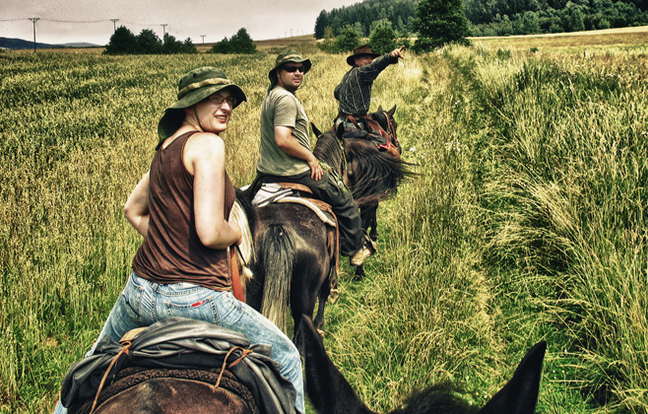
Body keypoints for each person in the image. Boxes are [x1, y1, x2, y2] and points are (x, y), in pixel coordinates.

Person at [54, 67, 304, 414]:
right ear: (190, 105)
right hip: (198, 297)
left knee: (90, 366)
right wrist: (237, 233)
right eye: (215, 98)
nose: (226, 106)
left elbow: (133, 210)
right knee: (288, 359)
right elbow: (210, 231)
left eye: (229, 100)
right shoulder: (209, 145)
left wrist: (167, 244)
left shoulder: (165, 148)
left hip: (139, 294)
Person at [255, 52, 374, 266]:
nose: (298, 72)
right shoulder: (285, 99)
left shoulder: (272, 95)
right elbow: (283, 139)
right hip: (292, 170)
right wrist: (311, 158)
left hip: (266, 172)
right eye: (291, 69)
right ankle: (355, 248)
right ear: (278, 73)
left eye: (301, 69)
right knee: (344, 198)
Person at [333, 44, 405, 131]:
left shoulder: (347, 75)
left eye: (371, 58)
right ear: (356, 60)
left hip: (339, 122)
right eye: (366, 58)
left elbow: (336, 92)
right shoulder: (361, 72)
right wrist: (390, 56)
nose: (370, 61)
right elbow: (376, 66)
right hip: (354, 125)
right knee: (383, 142)